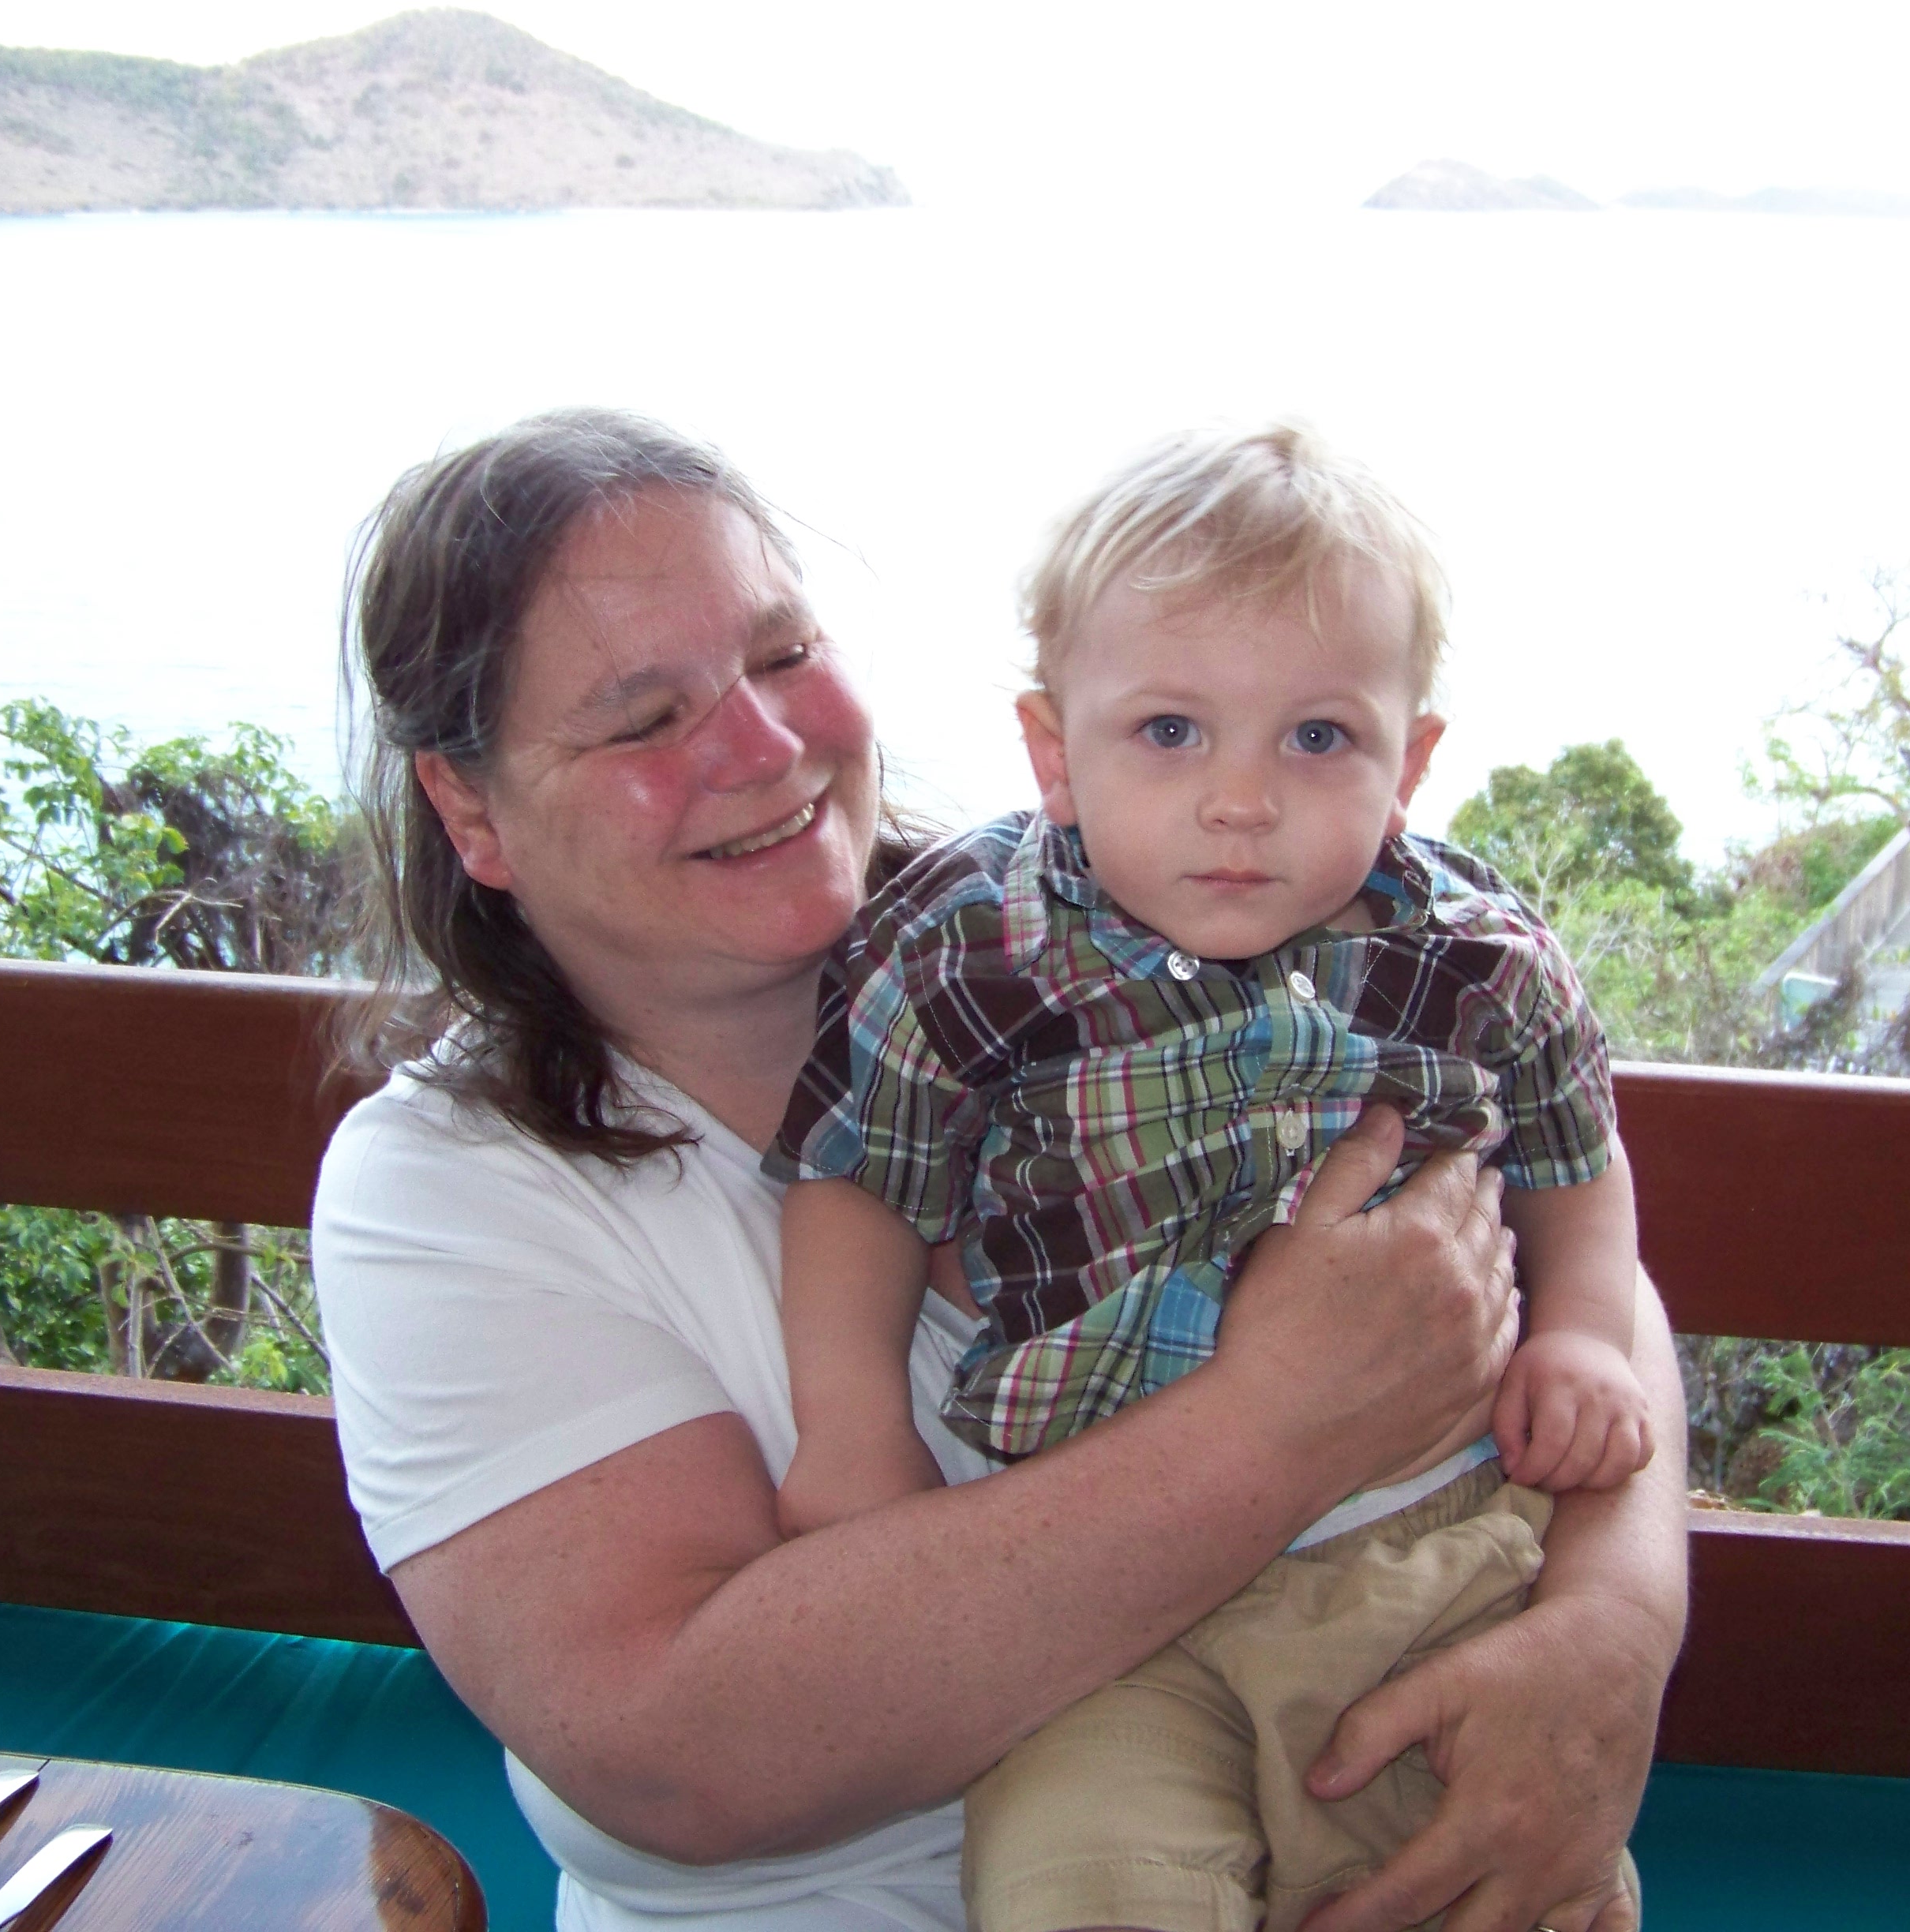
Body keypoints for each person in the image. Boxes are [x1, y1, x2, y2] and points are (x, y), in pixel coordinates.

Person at [311, 407, 1689, 1932]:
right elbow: (676, 1751)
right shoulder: (446, 1193)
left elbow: (1538, 1237)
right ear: (471, 809)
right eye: (643, 719)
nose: (762, 746)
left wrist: (1614, 1625)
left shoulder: (1110, 927)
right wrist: (1279, 1422)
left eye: (782, 654)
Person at [766, 425, 1653, 1931]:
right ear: (1056, 751)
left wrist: (1581, 1335)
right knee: (1080, 1887)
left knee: (1503, 1881)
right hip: (1100, 1594)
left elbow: (1577, 1160)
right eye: (1171, 730)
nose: (1242, 799)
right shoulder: (969, 949)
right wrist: (851, 1435)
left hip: (1430, 1545)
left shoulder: (1476, 956)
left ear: (1410, 763)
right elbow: (862, 1185)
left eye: (1318, 739)